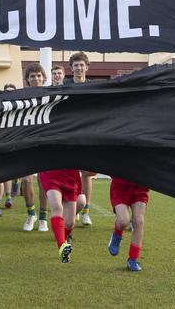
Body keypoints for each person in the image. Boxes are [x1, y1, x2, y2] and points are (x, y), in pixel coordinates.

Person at [64, 52, 96, 226]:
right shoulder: (64, 85)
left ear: (87, 67)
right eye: (75, 65)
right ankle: (72, 205)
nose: (78, 68)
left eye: (81, 65)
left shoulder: (93, 87)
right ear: (71, 68)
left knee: (87, 174)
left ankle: (85, 211)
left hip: (87, 133)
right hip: (69, 133)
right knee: (69, 170)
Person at [21, 64, 49, 232]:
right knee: (26, 179)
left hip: (44, 143)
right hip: (26, 142)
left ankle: (43, 217)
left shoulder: (49, 95)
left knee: (43, 181)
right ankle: (31, 214)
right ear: (27, 79)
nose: (36, 78)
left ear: (43, 78)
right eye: (32, 76)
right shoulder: (21, 97)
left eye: (39, 75)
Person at [107, 177, 150, 271]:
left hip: (140, 187)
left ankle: (133, 259)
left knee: (139, 221)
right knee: (123, 220)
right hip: (120, 186)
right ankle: (117, 234)